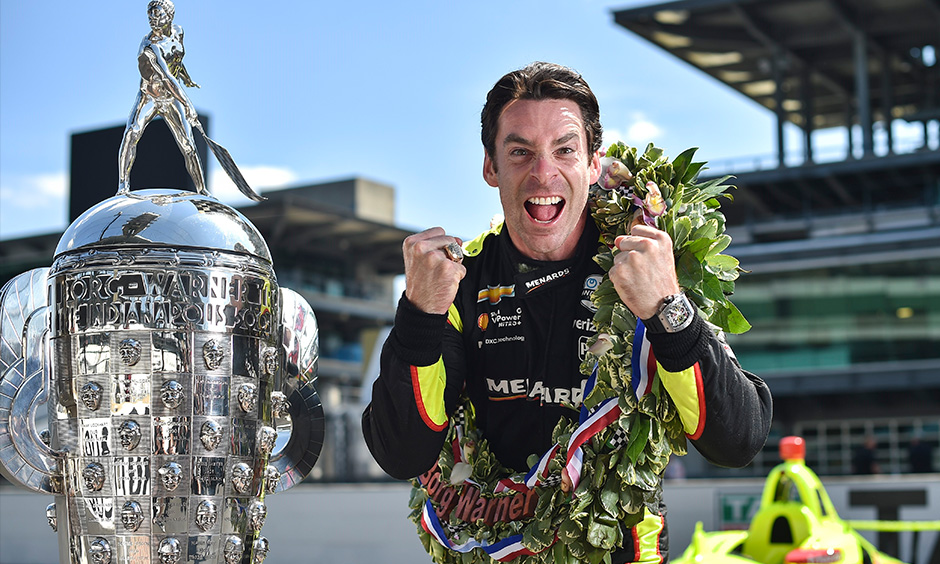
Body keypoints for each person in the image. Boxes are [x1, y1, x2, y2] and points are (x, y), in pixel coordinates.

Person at [361, 62, 773, 564]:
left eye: (564, 149)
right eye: (520, 152)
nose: (542, 173)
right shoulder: (459, 287)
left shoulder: (646, 268)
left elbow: (738, 440)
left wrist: (668, 307)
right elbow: (402, 452)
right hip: (494, 548)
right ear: (490, 166)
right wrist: (419, 315)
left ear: (593, 164)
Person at [117, 0, 206, 195]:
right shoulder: (149, 46)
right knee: (132, 133)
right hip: (149, 96)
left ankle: (202, 190)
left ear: (170, 16)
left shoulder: (179, 32)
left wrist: (187, 79)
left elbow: (176, 60)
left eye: (157, 15)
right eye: (150, 16)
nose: (152, 20)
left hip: (172, 97)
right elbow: (166, 77)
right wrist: (188, 105)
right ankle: (123, 186)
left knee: (189, 145)